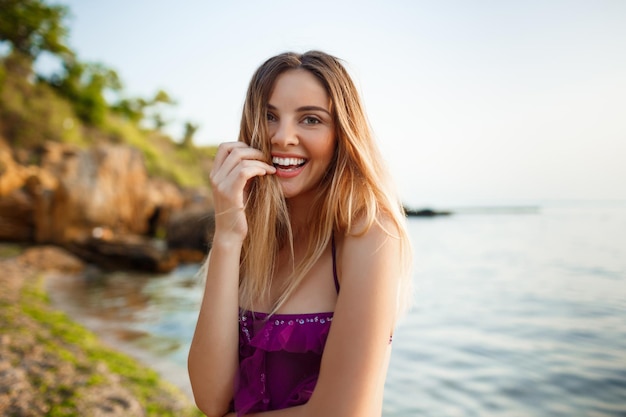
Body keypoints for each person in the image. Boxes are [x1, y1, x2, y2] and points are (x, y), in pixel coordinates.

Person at [188, 50, 412, 417]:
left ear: (342, 134)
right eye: (269, 116)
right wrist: (227, 236)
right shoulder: (250, 237)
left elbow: (341, 412)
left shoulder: (369, 234)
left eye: (310, 119)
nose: (282, 137)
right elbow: (210, 397)